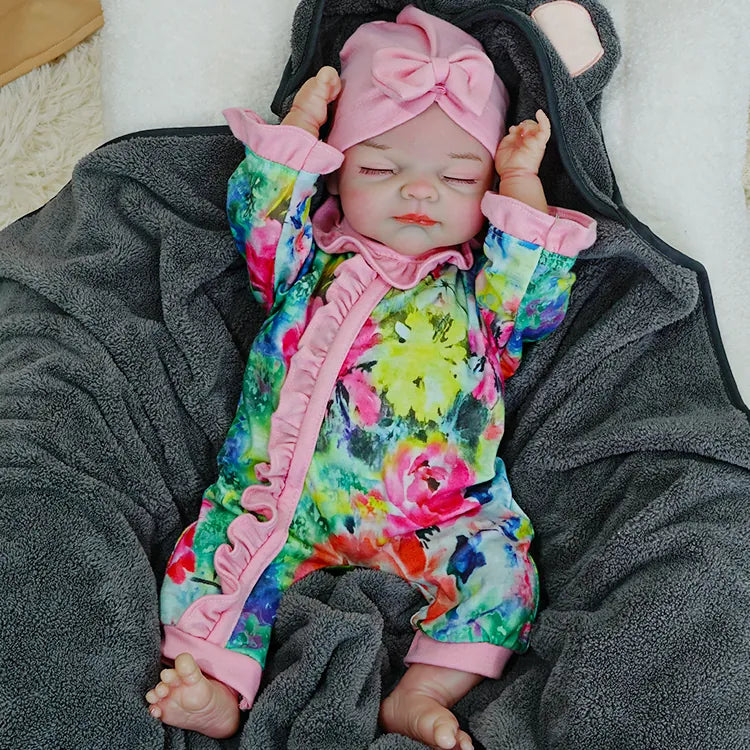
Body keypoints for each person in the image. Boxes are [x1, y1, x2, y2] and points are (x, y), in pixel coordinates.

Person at [145, 6, 596, 749]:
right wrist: (298, 128)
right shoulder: (307, 262)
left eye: (457, 177)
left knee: (505, 578)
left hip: (440, 517)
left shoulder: (478, 293)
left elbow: (538, 292)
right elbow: (260, 218)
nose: (419, 192)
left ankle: (419, 692)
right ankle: (214, 684)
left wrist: (521, 181)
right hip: (283, 501)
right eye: (381, 168)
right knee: (212, 560)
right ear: (338, 171)